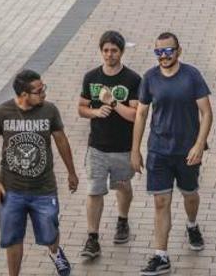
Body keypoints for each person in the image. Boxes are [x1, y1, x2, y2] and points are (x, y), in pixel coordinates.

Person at [130, 33, 213, 276]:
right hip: (159, 151)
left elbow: (207, 113)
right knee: (160, 202)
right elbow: (141, 114)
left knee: (190, 194)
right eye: (159, 52)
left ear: (179, 51)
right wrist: (135, 149)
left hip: (187, 151)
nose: (164, 56)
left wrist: (199, 145)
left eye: (168, 51)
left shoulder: (192, 75)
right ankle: (161, 256)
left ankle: (192, 225)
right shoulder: (150, 78)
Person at [0, 69, 78, 276]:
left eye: (43, 88)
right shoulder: (2, 113)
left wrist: (72, 172)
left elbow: (61, 141)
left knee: (50, 231)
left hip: (43, 188)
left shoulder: (49, 111)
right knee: (12, 238)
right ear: (24, 94)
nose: (44, 93)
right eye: (39, 91)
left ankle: (55, 252)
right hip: (11, 190)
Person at [77, 31, 141, 261]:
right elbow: (82, 108)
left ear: (121, 52)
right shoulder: (91, 77)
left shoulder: (132, 79)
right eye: (105, 50)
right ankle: (92, 238)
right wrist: (95, 112)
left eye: (114, 50)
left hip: (123, 147)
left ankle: (122, 220)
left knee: (122, 186)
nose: (109, 54)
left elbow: (135, 115)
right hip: (97, 147)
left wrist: (112, 103)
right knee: (94, 191)